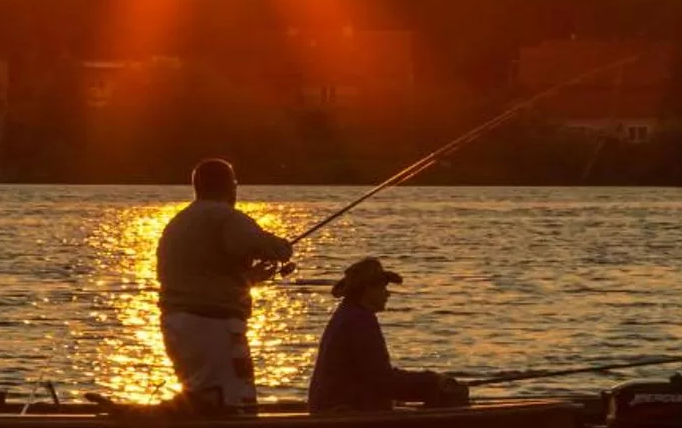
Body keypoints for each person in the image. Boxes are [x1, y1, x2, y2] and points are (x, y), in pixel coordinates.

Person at [156, 158, 293, 411]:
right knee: (232, 400)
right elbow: (263, 244)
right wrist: (283, 248)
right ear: (228, 186)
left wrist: (248, 279)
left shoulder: (178, 222)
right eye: (234, 184)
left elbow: (201, 271)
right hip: (212, 324)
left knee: (200, 398)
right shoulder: (225, 217)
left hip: (175, 325)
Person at [306, 256, 464, 413]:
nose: (387, 294)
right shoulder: (359, 321)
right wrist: (432, 381)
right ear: (368, 289)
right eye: (383, 288)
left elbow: (376, 375)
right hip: (343, 412)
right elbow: (381, 379)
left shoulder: (347, 315)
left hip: (333, 406)